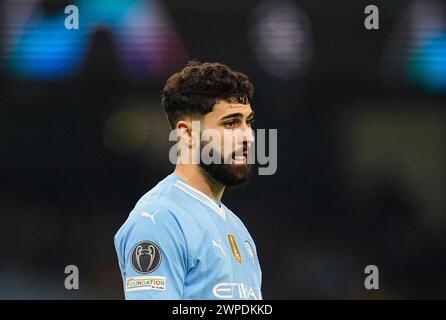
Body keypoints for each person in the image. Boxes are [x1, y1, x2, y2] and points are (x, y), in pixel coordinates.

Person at [114, 60, 262, 299]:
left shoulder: (238, 229)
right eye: (231, 123)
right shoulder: (158, 219)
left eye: (248, 122)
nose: (248, 137)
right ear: (187, 133)